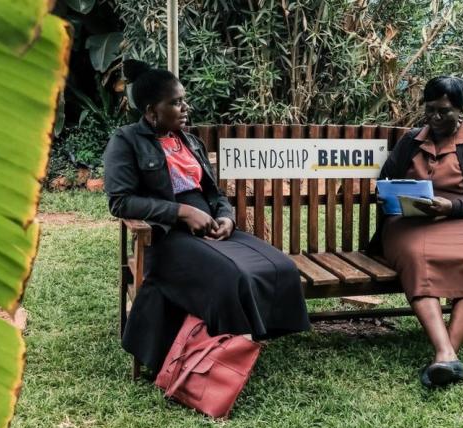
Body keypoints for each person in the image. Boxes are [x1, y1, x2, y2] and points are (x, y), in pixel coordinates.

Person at [103, 60, 309, 374]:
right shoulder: (126, 141)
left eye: (184, 99)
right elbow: (120, 202)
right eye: (175, 102)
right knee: (232, 276)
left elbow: (214, 194)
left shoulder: (191, 142)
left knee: (279, 266)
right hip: (167, 237)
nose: (185, 107)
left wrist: (227, 218)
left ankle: (246, 339)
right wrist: (180, 212)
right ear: (150, 112)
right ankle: (223, 353)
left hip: (210, 227)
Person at [372, 76, 463, 388]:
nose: (435, 118)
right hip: (414, 221)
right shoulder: (410, 141)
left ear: (461, 111)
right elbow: (386, 178)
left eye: (444, 111)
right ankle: (445, 352)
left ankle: (445, 356)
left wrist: (451, 207)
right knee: (416, 258)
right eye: (430, 110)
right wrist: (389, 194)